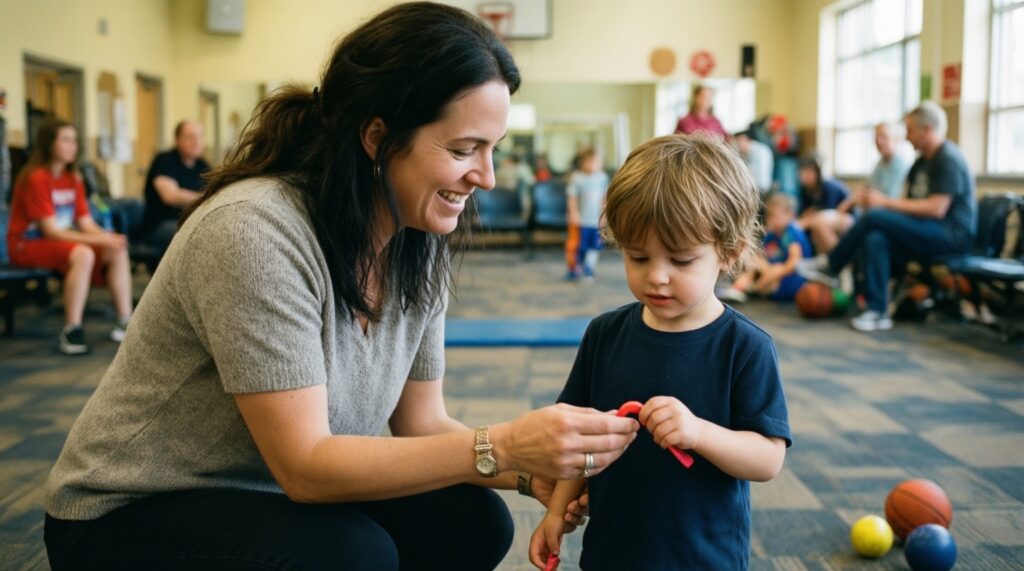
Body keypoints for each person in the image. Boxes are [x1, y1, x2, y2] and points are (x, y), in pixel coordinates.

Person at [43, 4, 639, 570]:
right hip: (126, 514)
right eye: (463, 149)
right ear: (377, 137)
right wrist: (505, 445)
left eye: (492, 150)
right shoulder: (253, 231)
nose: (484, 176)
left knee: (472, 520)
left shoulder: (416, 237)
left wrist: (534, 473)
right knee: (349, 555)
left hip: (272, 493)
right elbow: (305, 467)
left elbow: (423, 425)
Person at [529, 134, 791, 570]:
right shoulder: (604, 334)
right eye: (638, 257)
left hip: (703, 557)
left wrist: (698, 433)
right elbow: (578, 437)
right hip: (612, 552)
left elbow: (768, 458)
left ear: (730, 253)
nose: (657, 278)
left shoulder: (745, 346)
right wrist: (557, 511)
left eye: (681, 261)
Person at [798, 102, 976, 332]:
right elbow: (909, 202)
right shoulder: (921, 162)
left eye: (910, 130)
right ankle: (878, 311)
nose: (907, 136)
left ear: (928, 129)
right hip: (927, 230)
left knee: (876, 217)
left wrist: (883, 202)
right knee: (876, 237)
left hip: (950, 235)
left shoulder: (948, 158)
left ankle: (832, 265)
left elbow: (936, 209)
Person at [6, 118, 133, 355]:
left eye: (74, 140)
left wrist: (109, 237)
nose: (72, 146)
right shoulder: (35, 177)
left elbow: (85, 223)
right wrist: (101, 240)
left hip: (59, 242)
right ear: (49, 144)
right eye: (65, 140)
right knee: (83, 253)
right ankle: (71, 329)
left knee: (117, 248)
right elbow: (50, 231)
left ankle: (126, 322)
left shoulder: (73, 178)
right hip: (26, 243)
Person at [801, 123, 913, 254]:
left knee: (820, 222)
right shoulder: (880, 164)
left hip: (878, 218)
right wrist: (852, 202)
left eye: (884, 137)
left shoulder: (901, 165)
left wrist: (863, 199)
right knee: (817, 223)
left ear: (896, 139)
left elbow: (886, 200)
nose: (879, 141)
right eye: (876, 137)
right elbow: (865, 192)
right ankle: (834, 264)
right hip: (862, 214)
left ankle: (834, 264)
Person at [722, 193, 812, 303]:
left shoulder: (792, 232)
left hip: (791, 276)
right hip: (771, 272)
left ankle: (748, 288)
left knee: (773, 272)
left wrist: (773, 273)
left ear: (790, 216)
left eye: (776, 216)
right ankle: (741, 287)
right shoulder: (771, 234)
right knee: (752, 260)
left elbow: (793, 263)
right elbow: (761, 254)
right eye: (769, 216)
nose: (772, 220)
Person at [141, 119, 210, 258]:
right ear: (177, 140)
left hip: (191, 221)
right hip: (160, 226)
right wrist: (206, 197)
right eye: (190, 137)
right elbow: (170, 196)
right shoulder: (164, 160)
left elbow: (215, 192)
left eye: (199, 137)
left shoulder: (203, 165)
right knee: (192, 235)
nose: (196, 142)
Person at [565, 148, 609, 281]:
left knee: (594, 246)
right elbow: (572, 198)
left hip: (595, 221)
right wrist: (573, 214)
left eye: (596, 162)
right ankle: (575, 268)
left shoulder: (602, 178)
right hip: (580, 221)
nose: (592, 165)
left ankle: (589, 268)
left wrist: (604, 216)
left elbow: (604, 199)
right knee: (579, 246)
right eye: (589, 162)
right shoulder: (577, 178)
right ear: (583, 162)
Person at [795, 154, 849, 228]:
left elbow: (829, 211)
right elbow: (801, 213)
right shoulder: (803, 189)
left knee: (818, 223)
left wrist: (806, 220)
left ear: (818, 173)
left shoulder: (829, 187)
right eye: (802, 172)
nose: (805, 176)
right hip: (823, 218)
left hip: (844, 217)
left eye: (809, 172)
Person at [734, 129, 774, 195]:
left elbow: (750, 173)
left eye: (737, 141)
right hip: (762, 187)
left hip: (758, 189)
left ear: (744, 139)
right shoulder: (759, 148)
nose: (737, 145)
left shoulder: (755, 151)